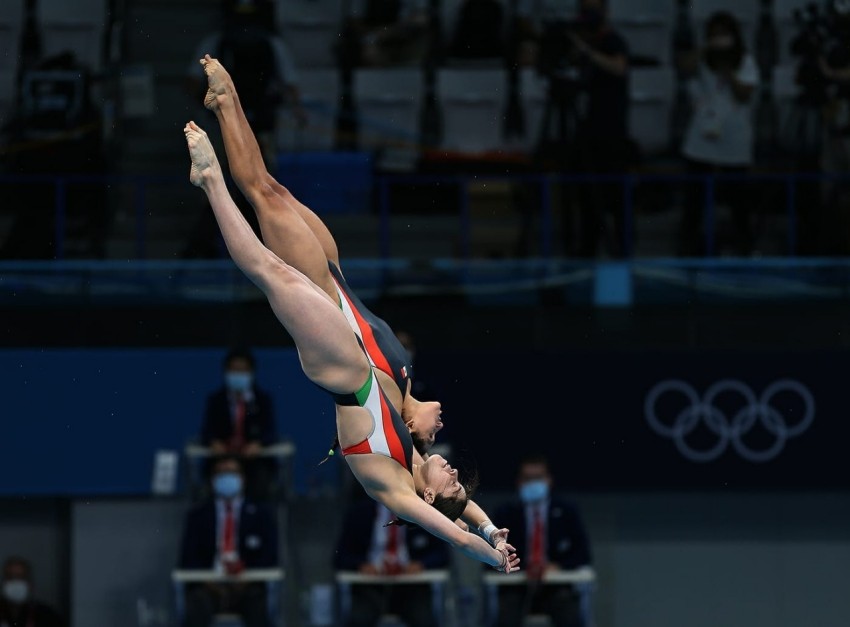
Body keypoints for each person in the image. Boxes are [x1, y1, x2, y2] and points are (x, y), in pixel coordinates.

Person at [196, 54, 511, 549]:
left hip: (335, 353)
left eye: (448, 478)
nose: (449, 465)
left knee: (268, 265)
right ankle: (226, 102)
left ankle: (211, 179)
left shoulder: (399, 484)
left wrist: (487, 552)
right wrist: (490, 526)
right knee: (270, 190)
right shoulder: (406, 393)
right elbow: (462, 506)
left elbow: (451, 527)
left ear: (427, 496)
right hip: (335, 278)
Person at [677, 11, 760, 256]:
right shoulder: (702, 60)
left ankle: (744, 249)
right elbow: (685, 66)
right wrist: (705, 48)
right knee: (695, 199)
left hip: (734, 138)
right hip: (703, 136)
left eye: (724, 34)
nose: (720, 39)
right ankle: (689, 250)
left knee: (738, 201)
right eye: (715, 35)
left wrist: (730, 74)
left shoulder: (746, 61)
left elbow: (745, 93)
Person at [490, 453, 592, 627]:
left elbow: (583, 554)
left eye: (538, 478)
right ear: (519, 482)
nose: (533, 483)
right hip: (517, 586)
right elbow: (488, 556)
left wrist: (558, 567)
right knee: (506, 615)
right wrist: (515, 566)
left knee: (568, 611)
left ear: (549, 480)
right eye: (528, 479)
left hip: (556, 586)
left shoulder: (567, 512)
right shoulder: (505, 513)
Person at [178, 455, 279, 627]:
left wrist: (246, 578)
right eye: (221, 473)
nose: (227, 477)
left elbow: (269, 556)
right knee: (197, 601)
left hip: (247, 585)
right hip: (208, 586)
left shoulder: (261, 515)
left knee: (256, 601)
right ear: (212, 480)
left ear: (243, 479)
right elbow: (188, 558)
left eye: (232, 472)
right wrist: (209, 581)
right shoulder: (198, 516)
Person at [333, 486, 450, 627]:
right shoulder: (359, 513)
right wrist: (360, 565)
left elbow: (442, 554)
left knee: (424, 620)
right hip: (369, 587)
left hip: (412, 588)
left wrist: (422, 564)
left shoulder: (423, 512)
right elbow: (340, 556)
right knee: (358, 620)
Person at [200, 346, 277, 499]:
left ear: (251, 373)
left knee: (260, 482)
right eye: (234, 370)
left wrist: (258, 444)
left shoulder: (262, 400)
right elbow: (206, 431)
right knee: (215, 477)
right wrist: (214, 442)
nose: (238, 375)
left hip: (252, 461)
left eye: (243, 370)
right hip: (222, 458)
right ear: (226, 372)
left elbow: (270, 432)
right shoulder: (216, 400)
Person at [0, 556, 65, 627]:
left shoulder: (47, 616)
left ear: (30, 583)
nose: (15, 582)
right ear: (3, 582)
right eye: (11, 577)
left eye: (20, 577)